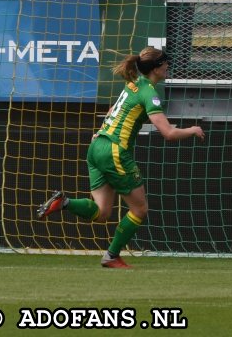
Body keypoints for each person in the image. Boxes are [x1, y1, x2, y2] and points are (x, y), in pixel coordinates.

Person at [36, 47, 204, 268]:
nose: (167, 66)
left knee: (102, 211)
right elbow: (169, 134)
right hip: (115, 151)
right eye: (165, 63)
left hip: (97, 146)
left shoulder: (133, 84)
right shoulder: (149, 93)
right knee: (139, 209)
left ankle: (64, 202)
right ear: (156, 68)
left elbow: (112, 111)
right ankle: (112, 256)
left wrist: (103, 130)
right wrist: (192, 129)